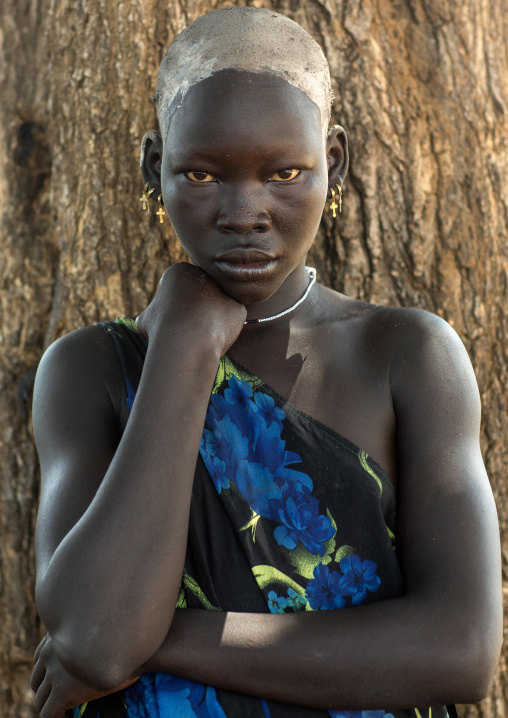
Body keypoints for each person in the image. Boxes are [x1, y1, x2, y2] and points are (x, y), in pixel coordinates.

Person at [30, 6, 502, 718]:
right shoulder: (91, 368)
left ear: (333, 160)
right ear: (155, 166)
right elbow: (95, 642)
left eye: (285, 171)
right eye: (200, 174)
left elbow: (460, 653)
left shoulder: (406, 357)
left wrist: (161, 638)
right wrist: (184, 348)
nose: (245, 212)